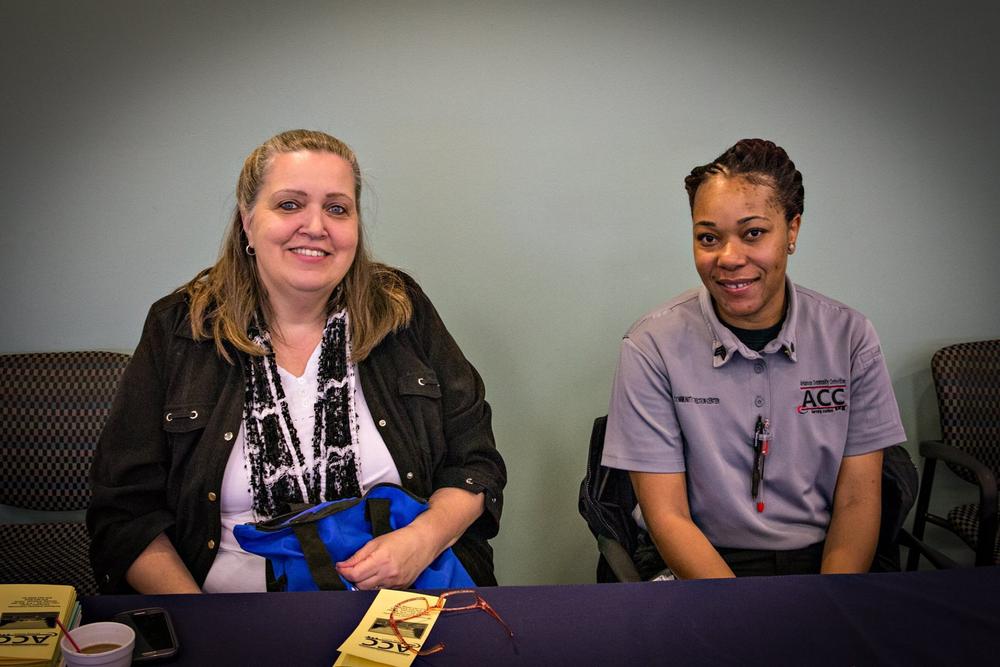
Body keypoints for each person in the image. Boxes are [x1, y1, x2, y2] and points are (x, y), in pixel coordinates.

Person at [88, 129, 506, 593]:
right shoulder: (181, 328)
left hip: (404, 600)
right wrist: (201, 626)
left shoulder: (401, 309)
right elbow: (126, 512)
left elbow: (476, 463)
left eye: (337, 208)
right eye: (289, 205)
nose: (316, 226)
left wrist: (421, 541)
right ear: (247, 222)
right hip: (231, 612)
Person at [602, 138, 905, 578]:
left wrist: (832, 601)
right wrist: (741, 612)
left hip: (824, 559)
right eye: (708, 238)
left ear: (793, 230)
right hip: (701, 560)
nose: (728, 258)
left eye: (753, 233)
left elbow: (858, 500)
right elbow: (667, 516)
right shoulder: (651, 346)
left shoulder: (850, 337)